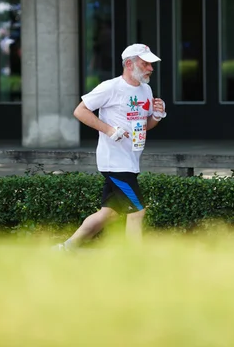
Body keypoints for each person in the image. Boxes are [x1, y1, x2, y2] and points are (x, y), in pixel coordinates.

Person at [53, 44, 167, 251]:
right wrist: (109, 130)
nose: (151, 68)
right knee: (137, 211)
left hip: (130, 161)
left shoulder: (146, 89)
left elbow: (144, 125)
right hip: (115, 162)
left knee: (110, 213)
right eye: (146, 63)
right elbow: (80, 111)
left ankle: (65, 249)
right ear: (130, 64)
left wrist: (157, 116)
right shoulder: (110, 87)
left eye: (151, 64)